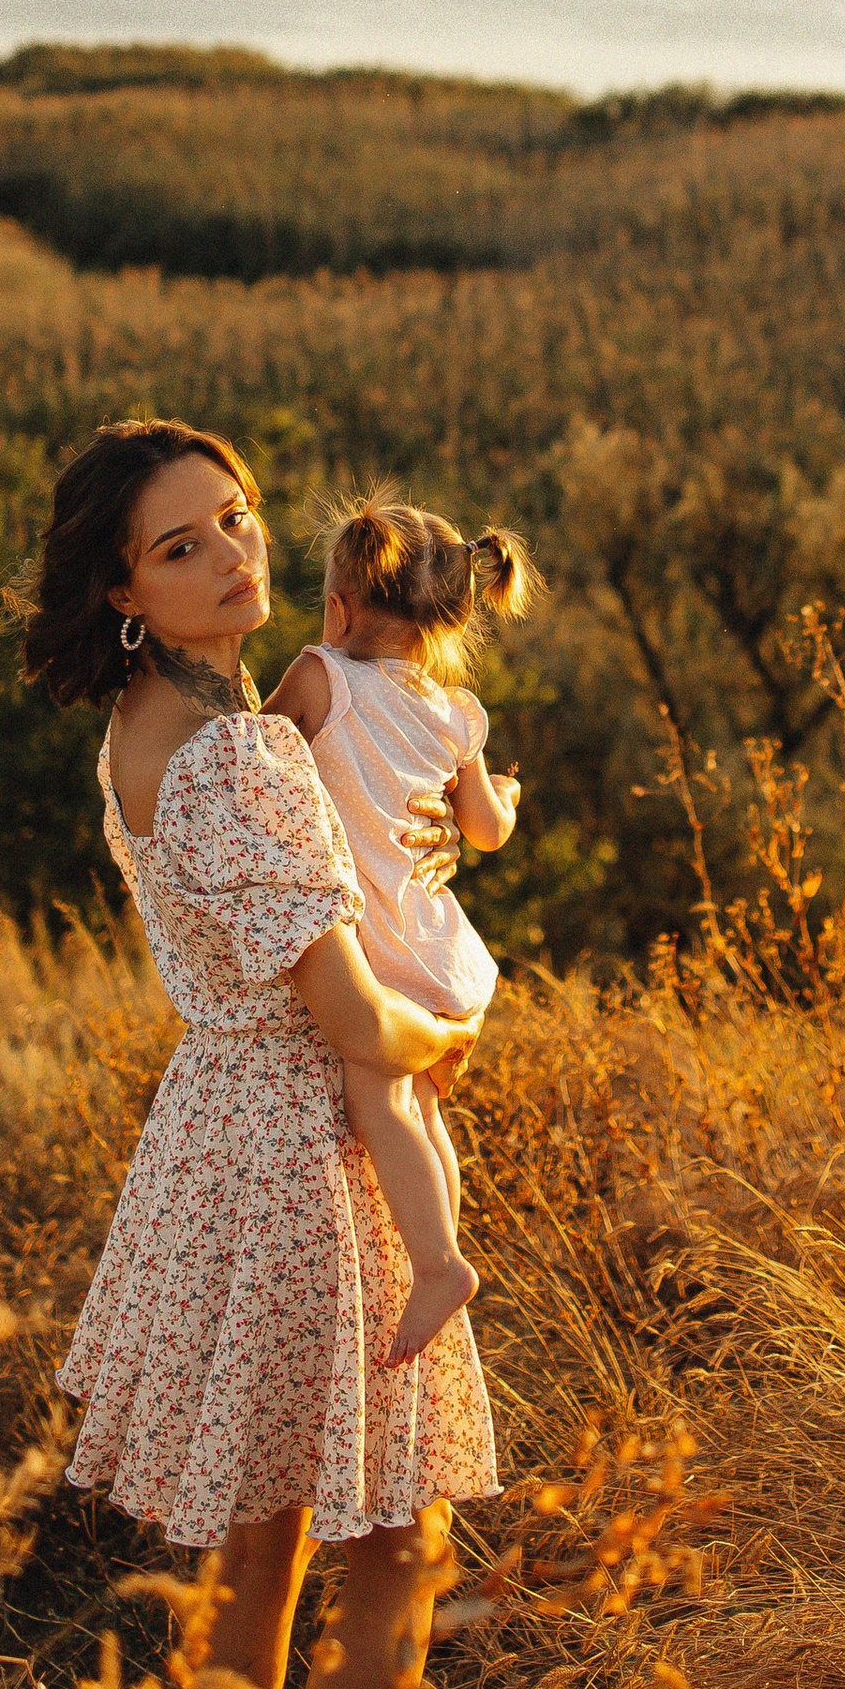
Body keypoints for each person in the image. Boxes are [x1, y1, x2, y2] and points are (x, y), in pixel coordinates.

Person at [18, 417, 499, 1689]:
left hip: (228, 1138)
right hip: (303, 1152)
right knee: (385, 1544)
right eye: (183, 547)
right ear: (122, 589)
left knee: (260, 1543)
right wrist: (457, 1026)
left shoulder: (165, 732)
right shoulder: (233, 754)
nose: (234, 557)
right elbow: (352, 1012)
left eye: (235, 520)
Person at [265, 491, 538, 1370]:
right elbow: (487, 831)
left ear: (339, 609)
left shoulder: (319, 676)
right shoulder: (457, 712)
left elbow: (250, 757)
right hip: (444, 946)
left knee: (379, 1094)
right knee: (420, 1109)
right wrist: (510, 802)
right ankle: (441, 1249)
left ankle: (437, 1263)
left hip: (380, 952)